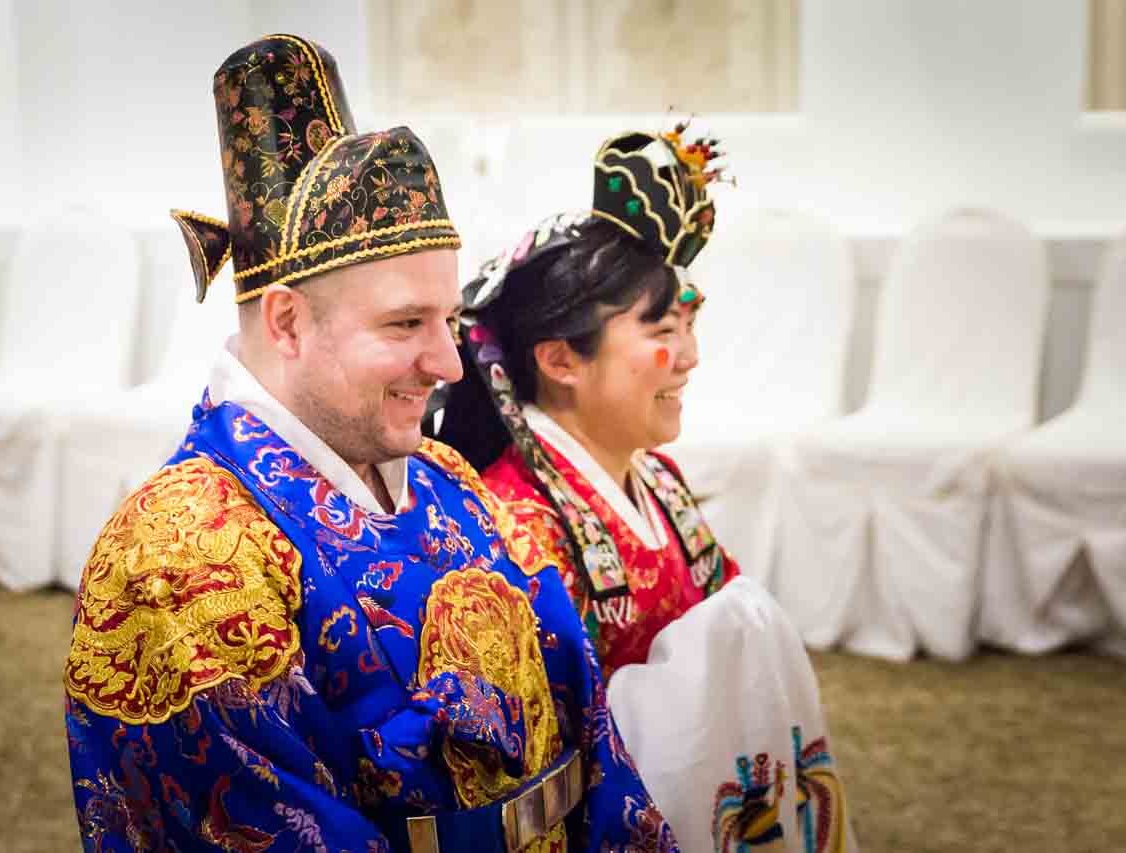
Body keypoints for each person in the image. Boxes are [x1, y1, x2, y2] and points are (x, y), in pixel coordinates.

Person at [63, 36, 677, 853]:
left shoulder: (444, 476)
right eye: (405, 324)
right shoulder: (179, 566)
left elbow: (589, 734)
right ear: (285, 319)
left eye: (449, 319)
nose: (449, 361)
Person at [432, 126, 857, 852]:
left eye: (690, 323)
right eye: (663, 328)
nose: (690, 357)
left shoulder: (657, 477)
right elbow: (540, 755)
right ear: (562, 358)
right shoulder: (519, 523)